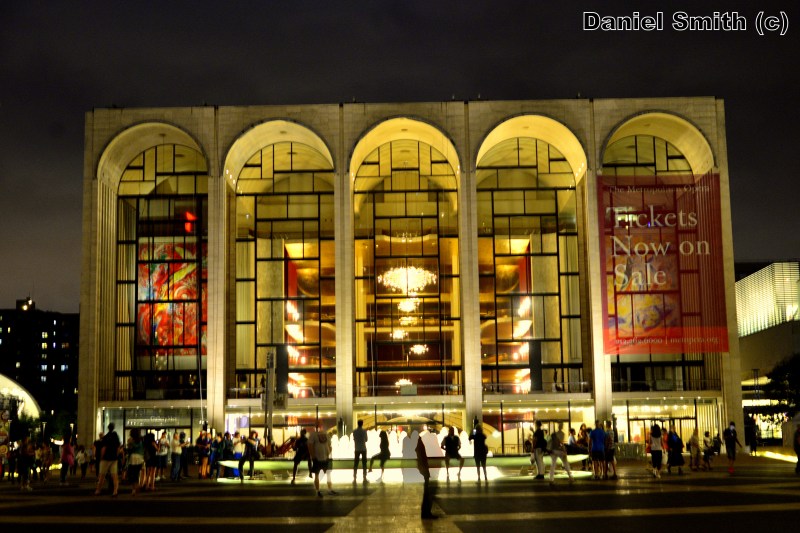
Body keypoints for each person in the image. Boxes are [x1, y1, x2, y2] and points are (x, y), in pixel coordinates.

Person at [308, 425, 336, 497]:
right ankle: (319, 490)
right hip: (319, 458)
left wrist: (328, 454)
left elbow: (330, 446)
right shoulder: (314, 435)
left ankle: (327, 489)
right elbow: (310, 446)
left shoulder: (317, 435)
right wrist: (313, 456)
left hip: (323, 458)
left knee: (325, 474)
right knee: (319, 475)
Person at [95, 422, 121, 497]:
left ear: (108, 428)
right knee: (114, 476)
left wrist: (101, 457)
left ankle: (98, 490)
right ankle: (115, 491)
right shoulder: (116, 436)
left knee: (102, 475)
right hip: (114, 458)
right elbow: (118, 447)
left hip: (106, 458)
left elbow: (104, 448)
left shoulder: (106, 437)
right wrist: (116, 455)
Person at [415, 432, 437, 519]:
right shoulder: (419, 445)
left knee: (426, 493)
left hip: (423, 470)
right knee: (427, 493)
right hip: (424, 470)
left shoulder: (418, 445)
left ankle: (426, 512)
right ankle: (426, 513)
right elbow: (422, 458)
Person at [126, 428, 144, 496]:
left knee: (132, 473)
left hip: (133, 458)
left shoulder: (130, 440)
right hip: (140, 458)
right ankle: (137, 486)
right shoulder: (141, 439)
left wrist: (129, 444)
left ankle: (134, 488)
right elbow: (143, 448)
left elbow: (129, 449)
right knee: (137, 473)